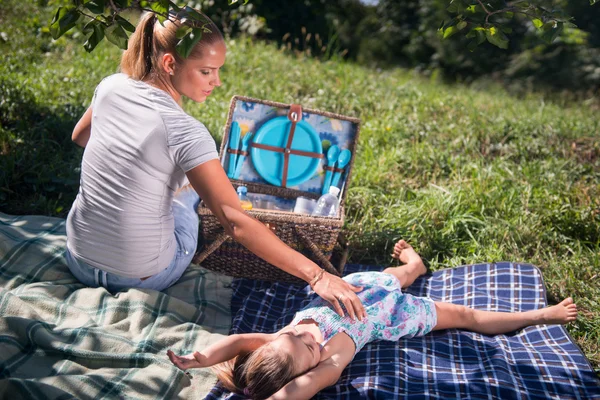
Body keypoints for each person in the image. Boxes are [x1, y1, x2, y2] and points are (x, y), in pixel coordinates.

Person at [64, 10, 366, 321]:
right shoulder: (187, 131)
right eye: (206, 71)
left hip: (78, 258)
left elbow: (81, 136)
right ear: (169, 63)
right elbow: (235, 223)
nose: (216, 82)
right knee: (193, 192)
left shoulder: (112, 85)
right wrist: (318, 276)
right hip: (141, 275)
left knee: (178, 181)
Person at [167, 240, 578, 400]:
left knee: (402, 274)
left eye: (296, 336)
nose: (305, 336)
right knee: (465, 316)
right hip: (392, 316)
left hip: (359, 286)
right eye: (307, 347)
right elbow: (296, 392)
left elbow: (238, 340)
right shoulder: (328, 364)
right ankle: (543, 313)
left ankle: (415, 264)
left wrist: (200, 358)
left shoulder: (282, 337)